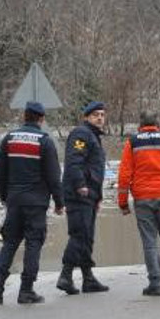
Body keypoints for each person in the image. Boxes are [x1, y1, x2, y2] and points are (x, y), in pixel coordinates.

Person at [0, 101, 64, 304]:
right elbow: (53, 177)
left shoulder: (9, 139)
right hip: (36, 204)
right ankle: (26, 290)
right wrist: (59, 202)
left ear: (24, 116)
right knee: (33, 244)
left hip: (14, 201)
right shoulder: (44, 142)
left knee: (10, 242)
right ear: (41, 119)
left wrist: (5, 197)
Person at [117, 111, 160, 296]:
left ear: (140, 125)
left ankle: (155, 284)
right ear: (158, 124)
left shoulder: (133, 142)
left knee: (149, 243)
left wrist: (123, 203)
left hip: (143, 198)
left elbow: (125, 175)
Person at [56, 101, 109, 295]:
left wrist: (98, 196)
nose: (100, 118)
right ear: (86, 117)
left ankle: (88, 278)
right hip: (79, 193)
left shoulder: (93, 136)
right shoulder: (81, 134)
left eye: (102, 115)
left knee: (87, 236)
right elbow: (74, 162)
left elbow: (95, 169)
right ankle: (66, 275)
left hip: (90, 194)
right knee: (79, 234)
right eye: (96, 115)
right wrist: (81, 186)